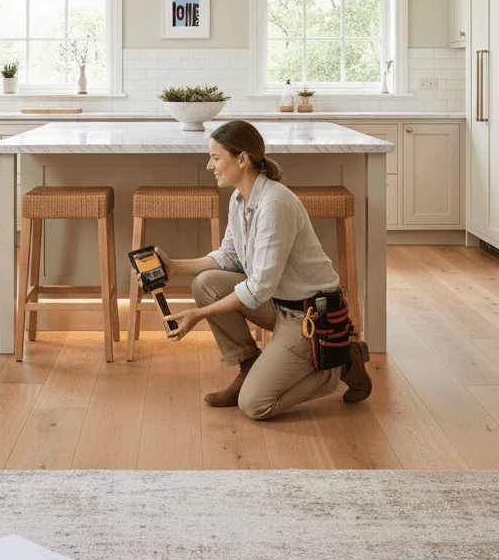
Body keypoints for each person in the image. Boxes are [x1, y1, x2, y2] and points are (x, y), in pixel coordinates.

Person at [155, 119, 372, 420]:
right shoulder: (239, 199)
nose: (209, 166)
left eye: (216, 158)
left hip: (308, 316)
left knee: (255, 405)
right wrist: (173, 267)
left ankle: (340, 363)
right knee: (206, 283)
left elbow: (258, 287)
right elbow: (229, 255)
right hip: (278, 304)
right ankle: (248, 367)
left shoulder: (274, 204)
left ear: (242, 159)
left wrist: (199, 315)